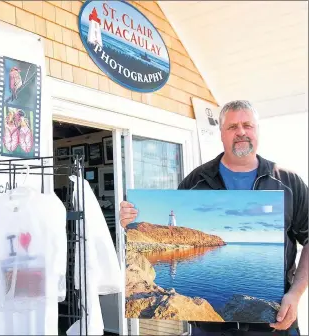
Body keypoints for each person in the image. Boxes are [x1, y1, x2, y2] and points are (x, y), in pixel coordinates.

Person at [119, 100, 308, 336]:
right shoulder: (195, 181)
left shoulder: (289, 181)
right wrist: (132, 221)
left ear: (257, 130)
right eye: (232, 127)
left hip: (275, 323)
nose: (241, 132)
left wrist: (296, 293)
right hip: (208, 329)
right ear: (221, 134)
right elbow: (152, 220)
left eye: (247, 125)